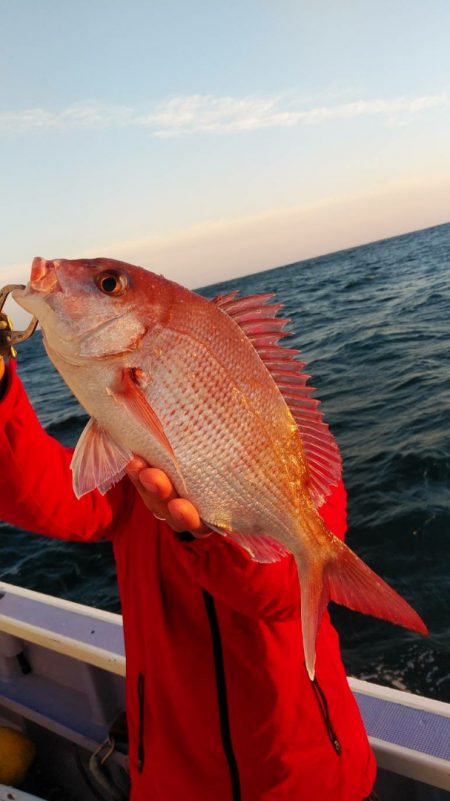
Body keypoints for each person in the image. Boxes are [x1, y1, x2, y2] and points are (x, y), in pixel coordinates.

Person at [0, 349, 377, 801]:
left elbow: (282, 596)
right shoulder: (133, 474)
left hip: (307, 777)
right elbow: (43, 495)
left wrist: (208, 535)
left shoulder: (296, 463)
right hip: (170, 781)